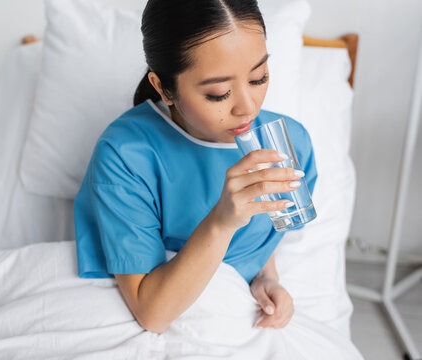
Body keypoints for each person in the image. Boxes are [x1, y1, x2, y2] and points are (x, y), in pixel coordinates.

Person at [74, 0, 317, 334]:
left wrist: (265, 278)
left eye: (259, 78)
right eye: (219, 94)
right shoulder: (125, 154)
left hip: (239, 311)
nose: (247, 108)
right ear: (164, 88)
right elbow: (152, 313)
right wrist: (221, 221)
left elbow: (260, 238)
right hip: (158, 307)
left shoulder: (291, 143)